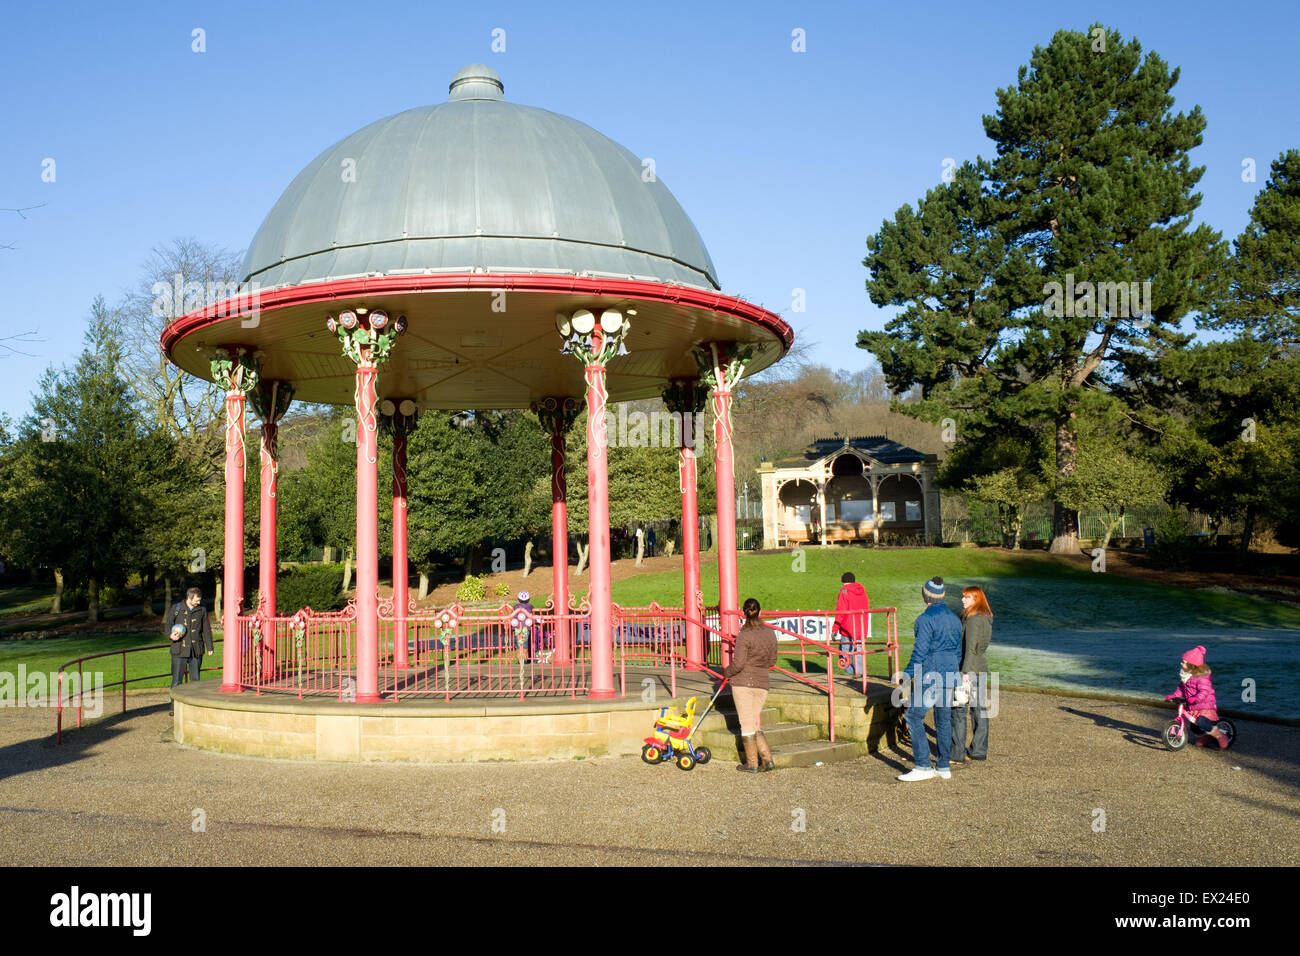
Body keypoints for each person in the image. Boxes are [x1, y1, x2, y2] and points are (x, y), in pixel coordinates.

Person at [897, 576, 962, 781]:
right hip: (950, 673)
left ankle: (923, 765)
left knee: (914, 716)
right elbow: (958, 652)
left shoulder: (925, 619)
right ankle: (943, 765)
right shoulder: (955, 618)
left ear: (926, 596)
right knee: (943, 720)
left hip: (931, 675)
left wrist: (907, 675)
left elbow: (920, 652)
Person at [723, 597, 779, 772]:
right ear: (760, 612)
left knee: (746, 724)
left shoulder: (744, 635)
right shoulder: (770, 633)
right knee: (753, 723)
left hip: (743, 684)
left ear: (744, 614)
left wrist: (727, 672)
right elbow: (773, 660)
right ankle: (768, 760)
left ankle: (752, 763)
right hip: (762, 683)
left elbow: (738, 664)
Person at [950, 585, 993, 766]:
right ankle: (978, 750)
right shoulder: (984, 617)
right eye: (963, 597)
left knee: (959, 711)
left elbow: (971, 647)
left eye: (967, 597)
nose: (963, 600)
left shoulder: (974, 619)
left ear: (976, 599)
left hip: (969, 669)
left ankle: (957, 752)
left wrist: (964, 672)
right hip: (979, 668)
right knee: (979, 710)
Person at [1165, 645, 1228, 748]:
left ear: (1192, 666)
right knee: (1195, 728)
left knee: (1202, 722)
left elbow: (1204, 691)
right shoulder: (1186, 676)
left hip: (1204, 705)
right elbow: (1181, 688)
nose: (1181, 664)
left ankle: (1219, 735)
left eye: (1184, 663)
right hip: (1193, 705)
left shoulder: (1201, 677)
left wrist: (1197, 698)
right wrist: (1174, 696)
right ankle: (1208, 737)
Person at [165, 587, 213, 710]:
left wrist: (209, 647)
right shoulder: (176, 608)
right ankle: (173, 707)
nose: (199, 602)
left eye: (199, 600)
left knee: (195, 681)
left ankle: (194, 708)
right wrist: (170, 635)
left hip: (196, 651)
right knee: (176, 681)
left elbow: (206, 629)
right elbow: (168, 624)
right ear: (189, 598)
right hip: (179, 650)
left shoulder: (202, 610)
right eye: (197, 600)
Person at [831, 571, 870, 678]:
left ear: (843, 582)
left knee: (844, 653)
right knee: (859, 653)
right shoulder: (863, 592)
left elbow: (840, 612)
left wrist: (834, 629)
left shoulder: (844, 592)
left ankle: (851, 675)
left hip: (847, 629)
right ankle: (861, 677)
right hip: (861, 628)